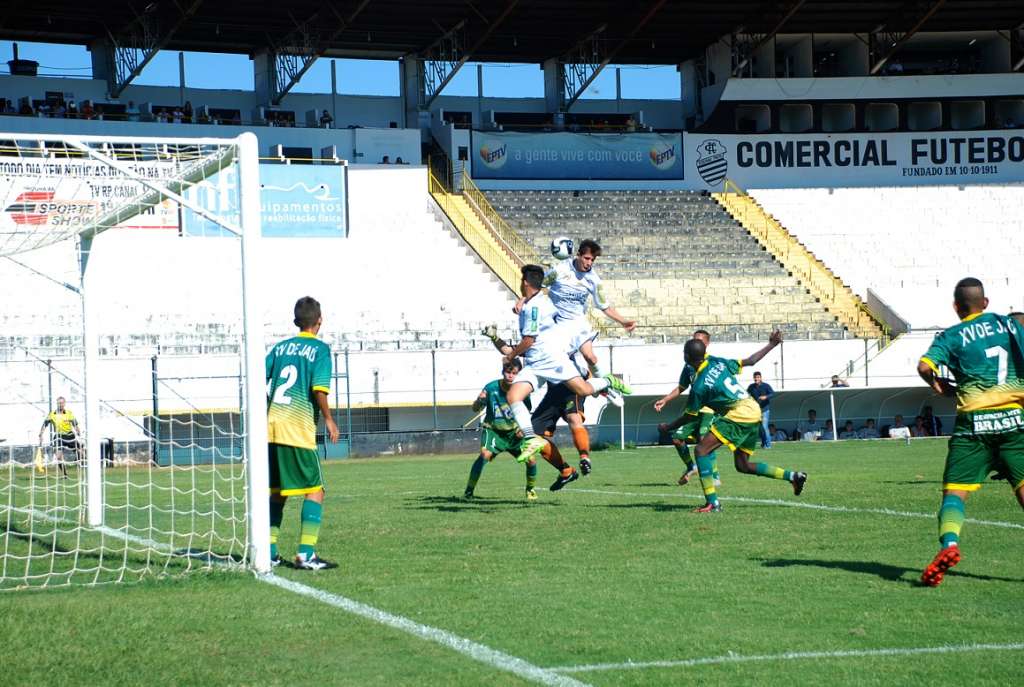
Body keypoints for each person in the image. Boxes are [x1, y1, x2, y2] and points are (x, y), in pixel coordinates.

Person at [916, 277, 1024, 586]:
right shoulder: (1009, 325)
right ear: (986, 303)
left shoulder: (951, 336)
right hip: (1014, 423)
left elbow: (925, 367)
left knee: (955, 495)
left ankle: (949, 545)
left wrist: (939, 386)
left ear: (955, 307)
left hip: (973, 427)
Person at [501, 265, 632, 488]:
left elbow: (529, 340)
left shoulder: (534, 307)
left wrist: (511, 355)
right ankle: (532, 438)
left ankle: (607, 381)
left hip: (551, 359)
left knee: (583, 390)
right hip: (535, 363)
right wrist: (521, 302)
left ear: (524, 282)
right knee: (514, 396)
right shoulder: (539, 301)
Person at [682, 336, 807, 513]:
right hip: (753, 409)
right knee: (743, 466)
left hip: (739, 413)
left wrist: (668, 426)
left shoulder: (699, 384)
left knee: (701, 450)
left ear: (686, 357)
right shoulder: (717, 361)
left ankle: (712, 503)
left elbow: (689, 415)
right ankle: (793, 476)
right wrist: (771, 344)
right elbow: (751, 360)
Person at [265, 296, 340, 571]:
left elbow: (257, 377)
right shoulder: (320, 350)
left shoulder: (281, 347)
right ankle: (306, 554)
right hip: (297, 429)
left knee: (278, 492)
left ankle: (269, 552)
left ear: (296, 321)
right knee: (315, 491)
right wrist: (329, 420)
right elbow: (319, 389)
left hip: (272, 428)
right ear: (319, 320)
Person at [483, 325, 595, 476]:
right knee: (535, 436)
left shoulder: (564, 341)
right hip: (553, 392)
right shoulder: (535, 344)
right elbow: (509, 351)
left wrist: (593, 382)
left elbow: (587, 362)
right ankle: (566, 471)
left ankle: (584, 457)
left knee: (573, 417)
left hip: (571, 386)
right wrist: (494, 337)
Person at [538, 239, 636, 404]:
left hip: (578, 324)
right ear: (578, 255)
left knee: (590, 357)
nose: (589, 263)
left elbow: (604, 306)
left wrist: (623, 321)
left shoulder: (593, 280)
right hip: (559, 326)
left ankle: (607, 384)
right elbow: (538, 285)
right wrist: (522, 301)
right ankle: (601, 385)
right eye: (587, 258)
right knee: (562, 362)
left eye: (592, 260)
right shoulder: (559, 270)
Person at [464, 359, 540, 501]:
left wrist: (522, 428)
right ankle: (469, 491)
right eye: (508, 372)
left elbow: (526, 411)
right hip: (493, 431)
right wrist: (479, 401)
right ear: (502, 372)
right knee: (484, 455)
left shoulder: (522, 390)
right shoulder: (491, 388)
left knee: (531, 460)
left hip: (514, 433)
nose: (510, 376)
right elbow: (475, 409)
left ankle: (530, 490)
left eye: (514, 373)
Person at [653, 329, 720, 486]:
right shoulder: (689, 365)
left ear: (707, 344)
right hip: (693, 410)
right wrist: (665, 400)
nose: (695, 344)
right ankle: (691, 466)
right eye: (694, 340)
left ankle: (714, 475)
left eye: (700, 341)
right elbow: (681, 387)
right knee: (677, 439)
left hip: (709, 410)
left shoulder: (714, 363)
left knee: (704, 440)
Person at [39, 396, 81, 479]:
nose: (60, 404)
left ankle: (79, 463)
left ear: (64, 404)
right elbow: (45, 424)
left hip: (69, 435)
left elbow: (75, 424)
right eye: (59, 403)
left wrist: (78, 431)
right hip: (58, 436)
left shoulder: (69, 413)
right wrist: (41, 434)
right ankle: (65, 474)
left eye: (62, 403)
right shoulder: (52, 414)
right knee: (58, 456)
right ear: (57, 404)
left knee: (81, 451)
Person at [747, 371, 775, 448]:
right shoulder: (751, 387)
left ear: (761, 378)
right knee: (759, 429)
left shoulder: (766, 386)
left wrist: (765, 397)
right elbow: (747, 394)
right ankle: (763, 444)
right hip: (756, 410)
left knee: (764, 426)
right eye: (755, 377)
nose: (756, 379)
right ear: (753, 378)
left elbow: (772, 393)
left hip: (765, 410)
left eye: (758, 377)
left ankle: (768, 445)